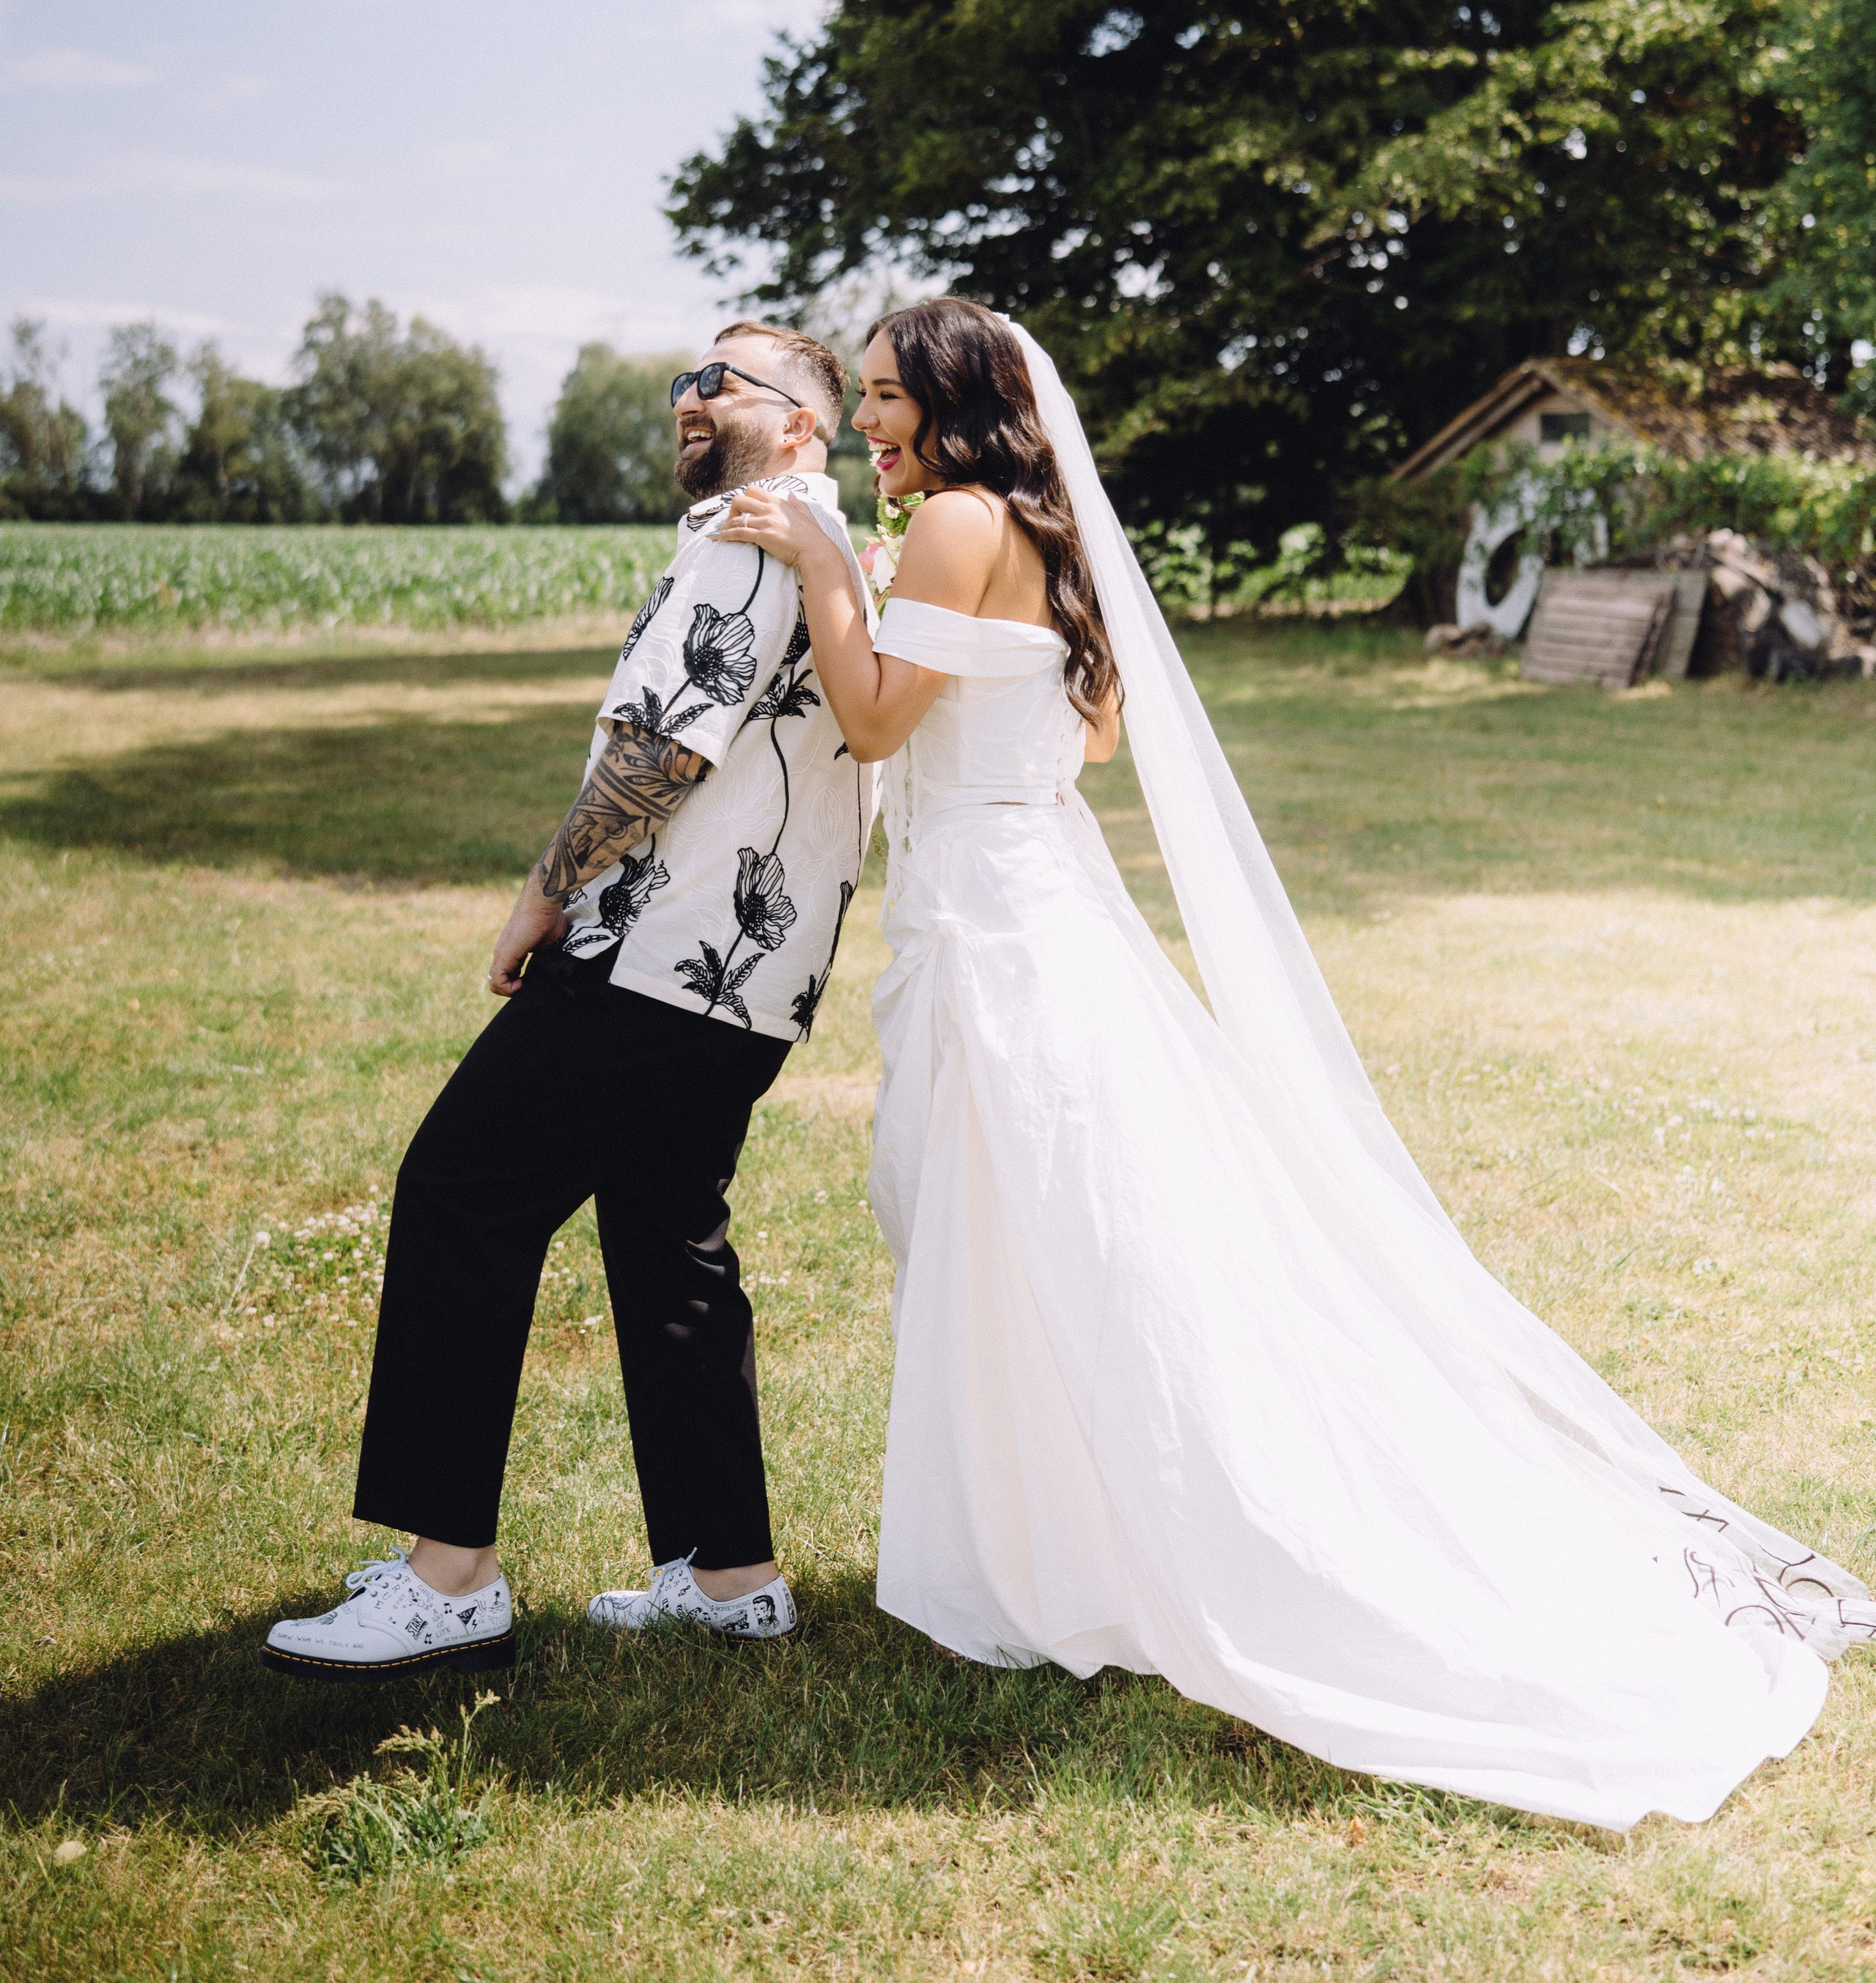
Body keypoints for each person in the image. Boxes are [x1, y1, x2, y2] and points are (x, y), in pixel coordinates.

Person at [714, 296, 1876, 1830]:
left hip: (998, 929)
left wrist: (815, 569)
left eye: (878, 400)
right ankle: (1064, 1532)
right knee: (1036, 1228)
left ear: (949, 406)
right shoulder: (1051, 534)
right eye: (857, 399)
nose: (862, 425)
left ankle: (1119, 1542)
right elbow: (1094, 732)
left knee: (1015, 1227)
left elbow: (868, 726)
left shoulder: (950, 524)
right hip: (1044, 897)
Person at [263, 322, 875, 1680]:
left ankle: (450, 1579)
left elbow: (662, 749)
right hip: (758, 981)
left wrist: (546, 887)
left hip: (661, 957)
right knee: (668, 1250)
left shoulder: (754, 532)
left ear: (804, 427)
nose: (691, 397)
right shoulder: (829, 548)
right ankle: (732, 1580)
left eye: (728, 381)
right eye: (689, 378)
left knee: (460, 1192)